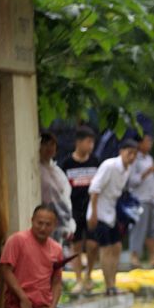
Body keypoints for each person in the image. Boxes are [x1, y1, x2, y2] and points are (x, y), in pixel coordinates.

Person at [0, 205, 64, 308]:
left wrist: (52, 307)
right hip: (19, 304)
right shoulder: (16, 240)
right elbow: (5, 270)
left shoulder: (56, 249)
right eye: (39, 223)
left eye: (48, 224)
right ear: (32, 221)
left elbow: (56, 282)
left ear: (54, 226)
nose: (43, 228)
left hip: (43, 307)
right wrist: (22, 298)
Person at [88, 138, 139, 295]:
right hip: (100, 212)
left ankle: (113, 283)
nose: (131, 157)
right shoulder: (109, 165)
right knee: (105, 249)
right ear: (121, 152)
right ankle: (108, 285)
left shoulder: (127, 169)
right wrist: (94, 214)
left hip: (112, 212)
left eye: (134, 154)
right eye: (129, 153)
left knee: (116, 247)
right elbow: (94, 189)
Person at [60, 125, 100, 294]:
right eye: (88, 142)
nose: (91, 146)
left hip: (91, 209)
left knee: (92, 245)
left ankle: (89, 276)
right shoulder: (66, 163)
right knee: (75, 246)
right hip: (73, 211)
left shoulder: (95, 161)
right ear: (79, 142)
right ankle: (77, 278)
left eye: (93, 142)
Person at [127, 130, 154, 268]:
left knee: (151, 229)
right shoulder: (134, 159)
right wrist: (146, 172)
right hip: (139, 199)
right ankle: (134, 257)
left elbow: (152, 182)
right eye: (148, 141)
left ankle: (153, 257)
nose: (150, 144)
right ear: (140, 143)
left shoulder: (149, 158)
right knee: (138, 228)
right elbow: (132, 181)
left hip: (151, 198)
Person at [38, 130, 74, 244]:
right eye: (45, 144)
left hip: (60, 218)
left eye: (52, 145)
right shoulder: (37, 169)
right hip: (44, 217)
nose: (49, 148)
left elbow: (65, 195)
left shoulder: (57, 171)